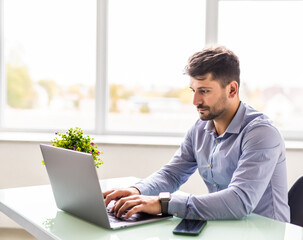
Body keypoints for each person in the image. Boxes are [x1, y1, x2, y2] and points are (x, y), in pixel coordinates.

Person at [103, 46, 290, 222]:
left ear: (232, 89)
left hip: (265, 233)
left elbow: (239, 201)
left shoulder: (261, 133)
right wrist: (137, 190)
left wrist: (164, 203)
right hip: (224, 227)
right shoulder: (200, 129)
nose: (195, 100)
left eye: (204, 91)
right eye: (193, 90)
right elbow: (172, 175)